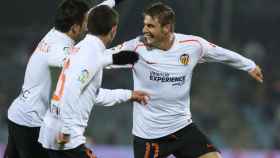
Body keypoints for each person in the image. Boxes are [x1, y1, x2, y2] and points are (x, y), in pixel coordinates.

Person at [108, 2, 263, 158]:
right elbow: (99, 59)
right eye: (144, 25)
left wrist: (249, 65)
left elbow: (221, 54)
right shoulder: (135, 48)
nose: (144, 30)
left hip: (182, 128)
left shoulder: (192, 45)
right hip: (149, 136)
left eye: (150, 26)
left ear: (166, 28)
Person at [5, 0, 125, 158]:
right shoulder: (61, 52)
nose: (88, 26)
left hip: (18, 114)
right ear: (75, 27)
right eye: (85, 23)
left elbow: (90, 14)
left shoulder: (55, 31)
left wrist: (113, 2)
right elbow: (91, 64)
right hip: (32, 124)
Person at [38, 5, 149, 158]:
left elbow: (92, 95)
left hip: (51, 132)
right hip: (65, 139)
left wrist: (129, 95)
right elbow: (71, 89)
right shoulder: (92, 54)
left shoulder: (82, 48)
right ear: (113, 30)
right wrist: (66, 131)